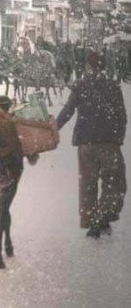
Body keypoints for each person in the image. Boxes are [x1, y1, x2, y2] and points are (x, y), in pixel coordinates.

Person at [55, 51, 127, 239]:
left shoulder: (81, 86)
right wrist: (118, 138)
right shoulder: (113, 86)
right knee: (114, 182)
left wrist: (53, 128)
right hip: (108, 142)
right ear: (104, 67)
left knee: (88, 182)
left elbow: (67, 111)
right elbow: (122, 116)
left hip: (86, 143)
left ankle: (91, 219)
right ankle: (102, 216)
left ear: (88, 66)